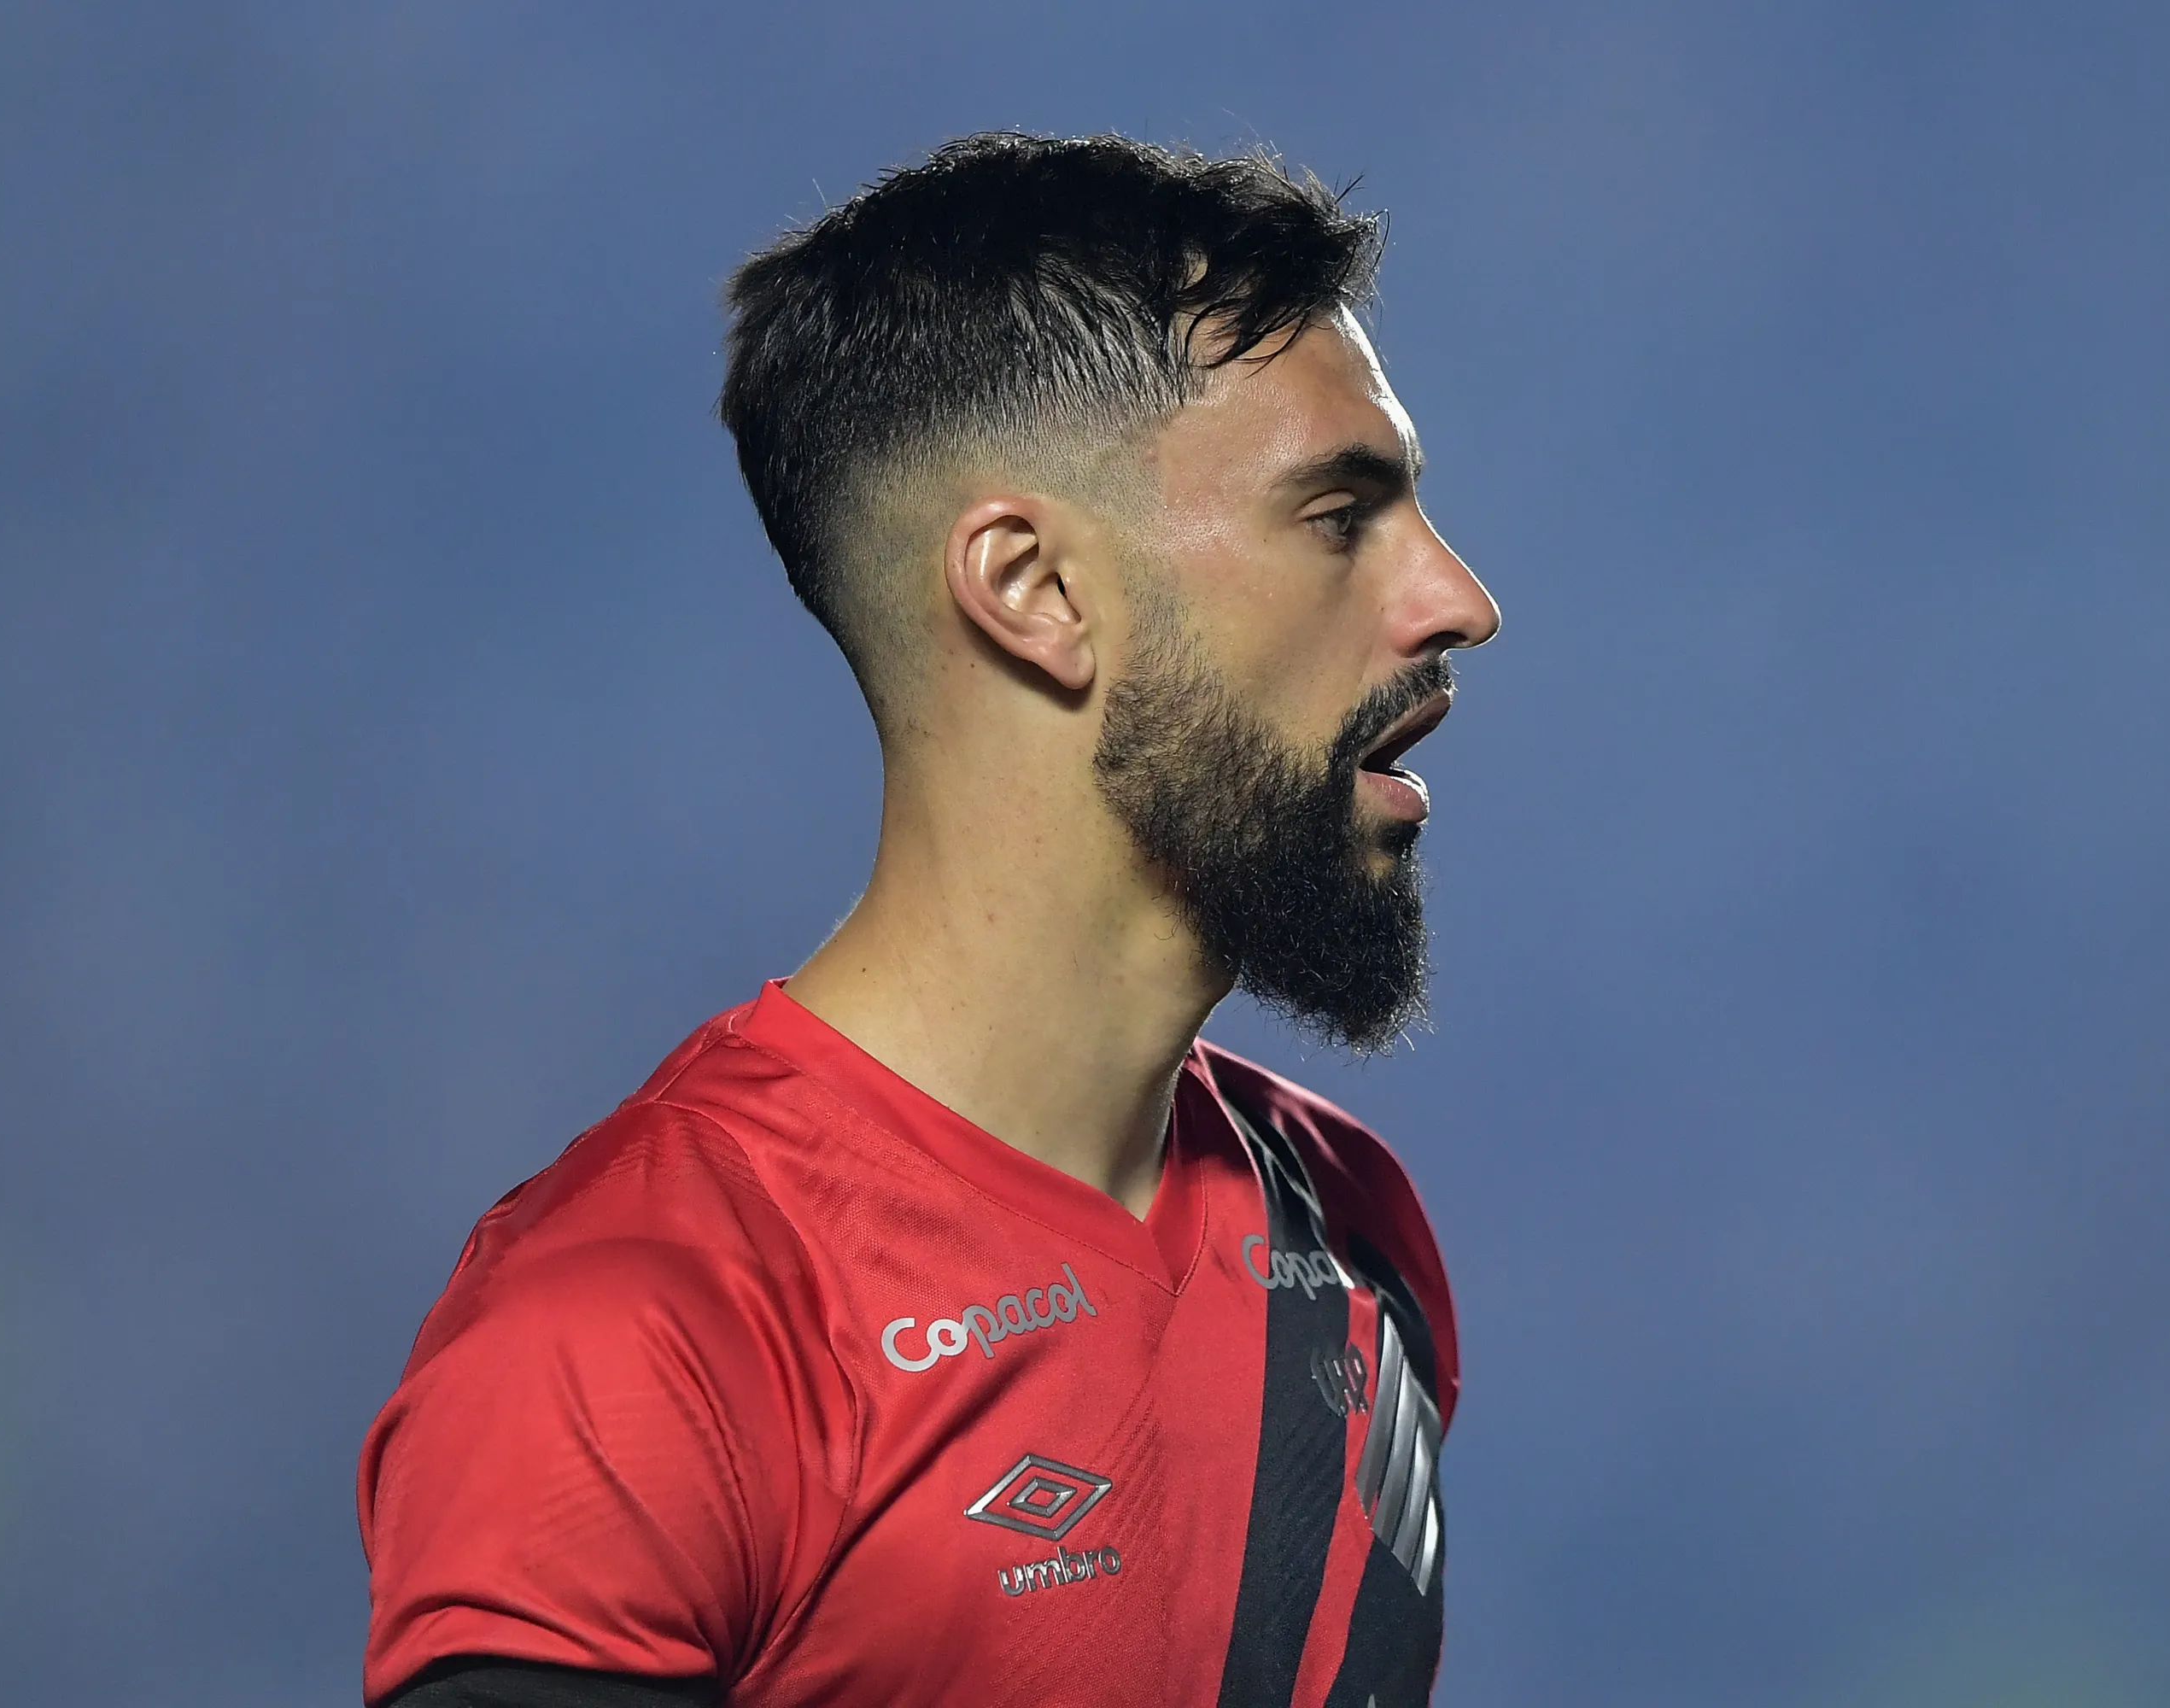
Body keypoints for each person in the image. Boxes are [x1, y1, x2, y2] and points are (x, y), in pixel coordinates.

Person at [357, 132, 1501, 1708]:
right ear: (1033, 588)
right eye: (1338, 513)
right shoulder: (637, 1324)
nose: (1457, 601)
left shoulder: (1356, 1227)